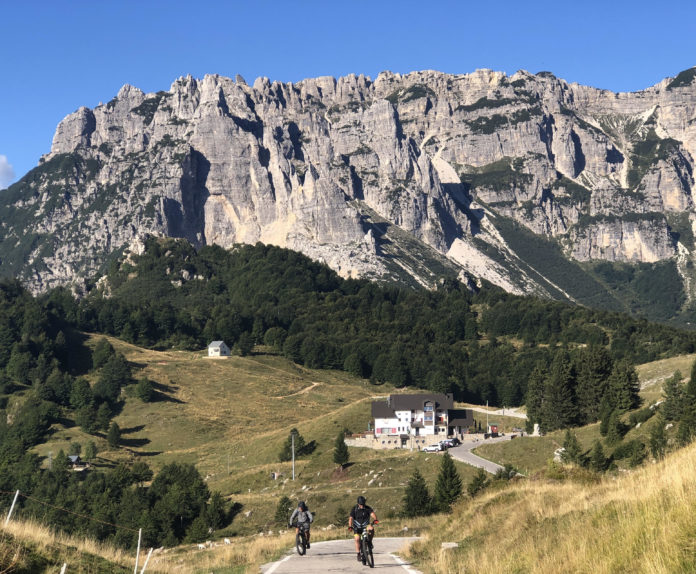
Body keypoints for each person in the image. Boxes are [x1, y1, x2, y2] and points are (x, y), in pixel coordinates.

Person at [348, 495, 378, 562]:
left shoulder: (367, 508)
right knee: (357, 539)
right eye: (360, 504)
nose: (362, 506)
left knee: (371, 528)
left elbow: (372, 514)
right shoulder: (354, 509)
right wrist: (350, 526)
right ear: (358, 503)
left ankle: (369, 542)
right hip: (357, 527)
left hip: (366, 526)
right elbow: (350, 518)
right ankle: (358, 554)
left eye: (363, 504)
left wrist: (375, 519)